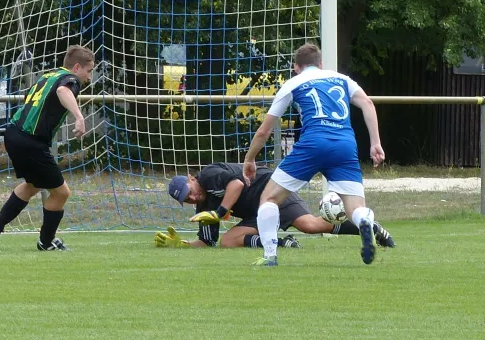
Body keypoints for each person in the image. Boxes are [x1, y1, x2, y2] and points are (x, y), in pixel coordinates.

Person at [243, 43, 386, 266]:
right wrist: (375, 143)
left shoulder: (293, 83)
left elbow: (264, 130)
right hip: (345, 145)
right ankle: (365, 221)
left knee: (269, 198)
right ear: (320, 64)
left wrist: (250, 159)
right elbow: (367, 103)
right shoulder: (342, 79)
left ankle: (270, 255)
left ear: (296, 67)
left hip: (313, 143)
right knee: (354, 208)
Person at [0, 45, 94, 250]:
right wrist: (79, 116)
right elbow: (63, 90)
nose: (89, 77)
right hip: (30, 141)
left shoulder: (49, 75)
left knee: (33, 184)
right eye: (89, 71)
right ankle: (46, 241)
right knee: (61, 194)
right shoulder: (70, 79)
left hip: (13, 133)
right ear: (77, 67)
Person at [157, 163, 394, 249]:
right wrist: (182, 244)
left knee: (309, 225)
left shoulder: (208, 175)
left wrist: (218, 213)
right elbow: (207, 242)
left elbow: (237, 185)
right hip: (256, 213)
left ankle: (368, 226)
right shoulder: (202, 209)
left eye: (190, 192)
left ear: (191, 178)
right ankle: (281, 242)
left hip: (270, 191)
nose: (193, 198)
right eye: (186, 200)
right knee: (227, 242)